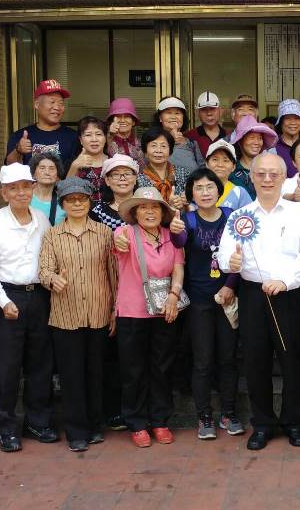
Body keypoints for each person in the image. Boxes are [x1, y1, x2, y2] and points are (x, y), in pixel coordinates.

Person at [216, 153, 300, 451]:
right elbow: (224, 255)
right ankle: (262, 423)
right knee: (255, 360)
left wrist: (286, 280)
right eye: (260, 174)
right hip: (252, 295)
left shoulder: (298, 213)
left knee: (292, 360)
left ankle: (294, 421)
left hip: (290, 294)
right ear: (251, 176)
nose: (267, 179)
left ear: (284, 176)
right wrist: (230, 261)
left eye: (274, 174)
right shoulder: (240, 215)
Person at [0, 163, 55, 453]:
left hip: (39, 297)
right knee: (6, 368)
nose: (21, 192)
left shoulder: (41, 220)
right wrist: (3, 301)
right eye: (14, 188)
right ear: (4, 192)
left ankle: (38, 422)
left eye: (26, 186)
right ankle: (7, 427)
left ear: (33, 188)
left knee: (40, 364)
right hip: (7, 298)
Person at [38, 177, 117, 452]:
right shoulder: (52, 235)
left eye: (82, 199)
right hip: (65, 315)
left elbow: (113, 274)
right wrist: (52, 280)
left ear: (89, 202)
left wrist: (115, 309)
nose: (77, 204)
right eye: (71, 200)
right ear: (63, 204)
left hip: (98, 311)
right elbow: (44, 269)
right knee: (71, 376)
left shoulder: (104, 233)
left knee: (96, 373)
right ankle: (76, 430)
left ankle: (95, 425)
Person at [171, 169, 243, 440]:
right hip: (199, 300)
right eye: (198, 188)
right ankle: (204, 417)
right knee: (202, 361)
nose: (205, 192)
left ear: (218, 189)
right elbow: (177, 242)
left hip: (228, 298)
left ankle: (229, 413)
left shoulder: (231, 217)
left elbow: (239, 255)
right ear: (191, 193)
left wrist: (230, 286)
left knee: (227, 359)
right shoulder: (186, 220)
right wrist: (175, 227)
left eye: (209, 187)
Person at [112, 186, 185, 448]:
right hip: (132, 311)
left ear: (163, 212)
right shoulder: (125, 233)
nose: (150, 211)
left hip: (165, 309)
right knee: (133, 369)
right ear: (135, 212)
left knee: (162, 367)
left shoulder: (171, 236)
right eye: (143, 207)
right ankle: (137, 422)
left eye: (155, 207)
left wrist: (174, 297)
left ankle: (160, 420)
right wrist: (118, 240)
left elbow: (178, 267)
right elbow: (117, 242)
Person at [88, 154, 139, 431]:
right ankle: (111, 409)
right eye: (116, 174)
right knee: (108, 352)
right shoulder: (95, 211)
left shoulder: (144, 208)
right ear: (106, 180)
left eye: (127, 173)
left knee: (132, 354)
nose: (122, 178)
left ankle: (133, 408)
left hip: (138, 288)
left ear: (135, 177)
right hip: (105, 284)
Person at [6, 80, 80, 170]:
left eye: (61, 103)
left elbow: (77, 171)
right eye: (52, 102)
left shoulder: (72, 137)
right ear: (37, 104)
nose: (57, 107)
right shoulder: (20, 136)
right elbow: (10, 168)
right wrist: (18, 151)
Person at [140, 126, 190, 212]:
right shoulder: (139, 179)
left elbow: (192, 203)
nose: (158, 150)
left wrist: (185, 202)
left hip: (181, 222)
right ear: (145, 152)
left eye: (163, 146)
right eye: (153, 146)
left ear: (170, 151)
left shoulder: (184, 173)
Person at [230, 116, 279, 200]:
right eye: (251, 138)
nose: (256, 142)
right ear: (240, 142)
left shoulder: (270, 168)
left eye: (259, 138)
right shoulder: (232, 171)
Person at [155, 96, 204, 173]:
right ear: (160, 118)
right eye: (169, 113)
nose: (173, 117)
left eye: (177, 113)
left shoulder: (192, 143)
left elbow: (202, 169)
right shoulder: (151, 141)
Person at [67, 116, 108, 202]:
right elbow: (64, 194)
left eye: (98, 134)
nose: (94, 139)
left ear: (105, 138)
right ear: (81, 140)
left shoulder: (114, 162)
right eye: (88, 135)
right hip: (81, 212)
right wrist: (74, 167)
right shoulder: (72, 163)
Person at [203, 140, 253, 210]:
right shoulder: (197, 190)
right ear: (207, 164)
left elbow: (250, 219)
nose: (220, 165)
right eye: (215, 159)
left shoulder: (239, 193)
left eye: (226, 160)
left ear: (233, 167)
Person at [185, 91, 228, 158]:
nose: (209, 113)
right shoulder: (188, 137)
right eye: (204, 110)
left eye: (212, 109)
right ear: (197, 113)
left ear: (220, 111)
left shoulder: (231, 136)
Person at [28, 153, 66, 225]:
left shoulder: (64, 200)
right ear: (33, 174)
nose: (47, 173)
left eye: (52, 169)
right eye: (42, 168)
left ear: (57, 175)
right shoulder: (24, 197)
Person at [274, 99, 300, 177]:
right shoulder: (273, 146)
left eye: (297, 118)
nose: (293, 123)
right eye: (288, 118)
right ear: (281, 122)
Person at [106, 98, 143, 164]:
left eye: (127, 116)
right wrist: (110, 136)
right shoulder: (104, 143)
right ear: (111, 122)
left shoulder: (142, 144)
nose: (122, 120)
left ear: (133, 122)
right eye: (118, 116)